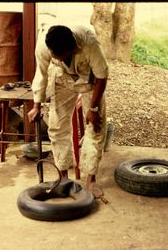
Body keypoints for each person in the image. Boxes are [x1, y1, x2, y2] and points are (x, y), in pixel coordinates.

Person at [27, 25, 109, 192]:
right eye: (55, 56)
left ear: (73, 49)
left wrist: (92, 110)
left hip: (89, 79)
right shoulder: (44, 44)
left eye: (62, 56)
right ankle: (63, 177)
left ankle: (90, 179)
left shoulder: (89, 43)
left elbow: (102, 76)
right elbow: (41, 73)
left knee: (95, 126)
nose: (58, 58)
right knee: (57, 126)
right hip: (61, 79)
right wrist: (36, 105)